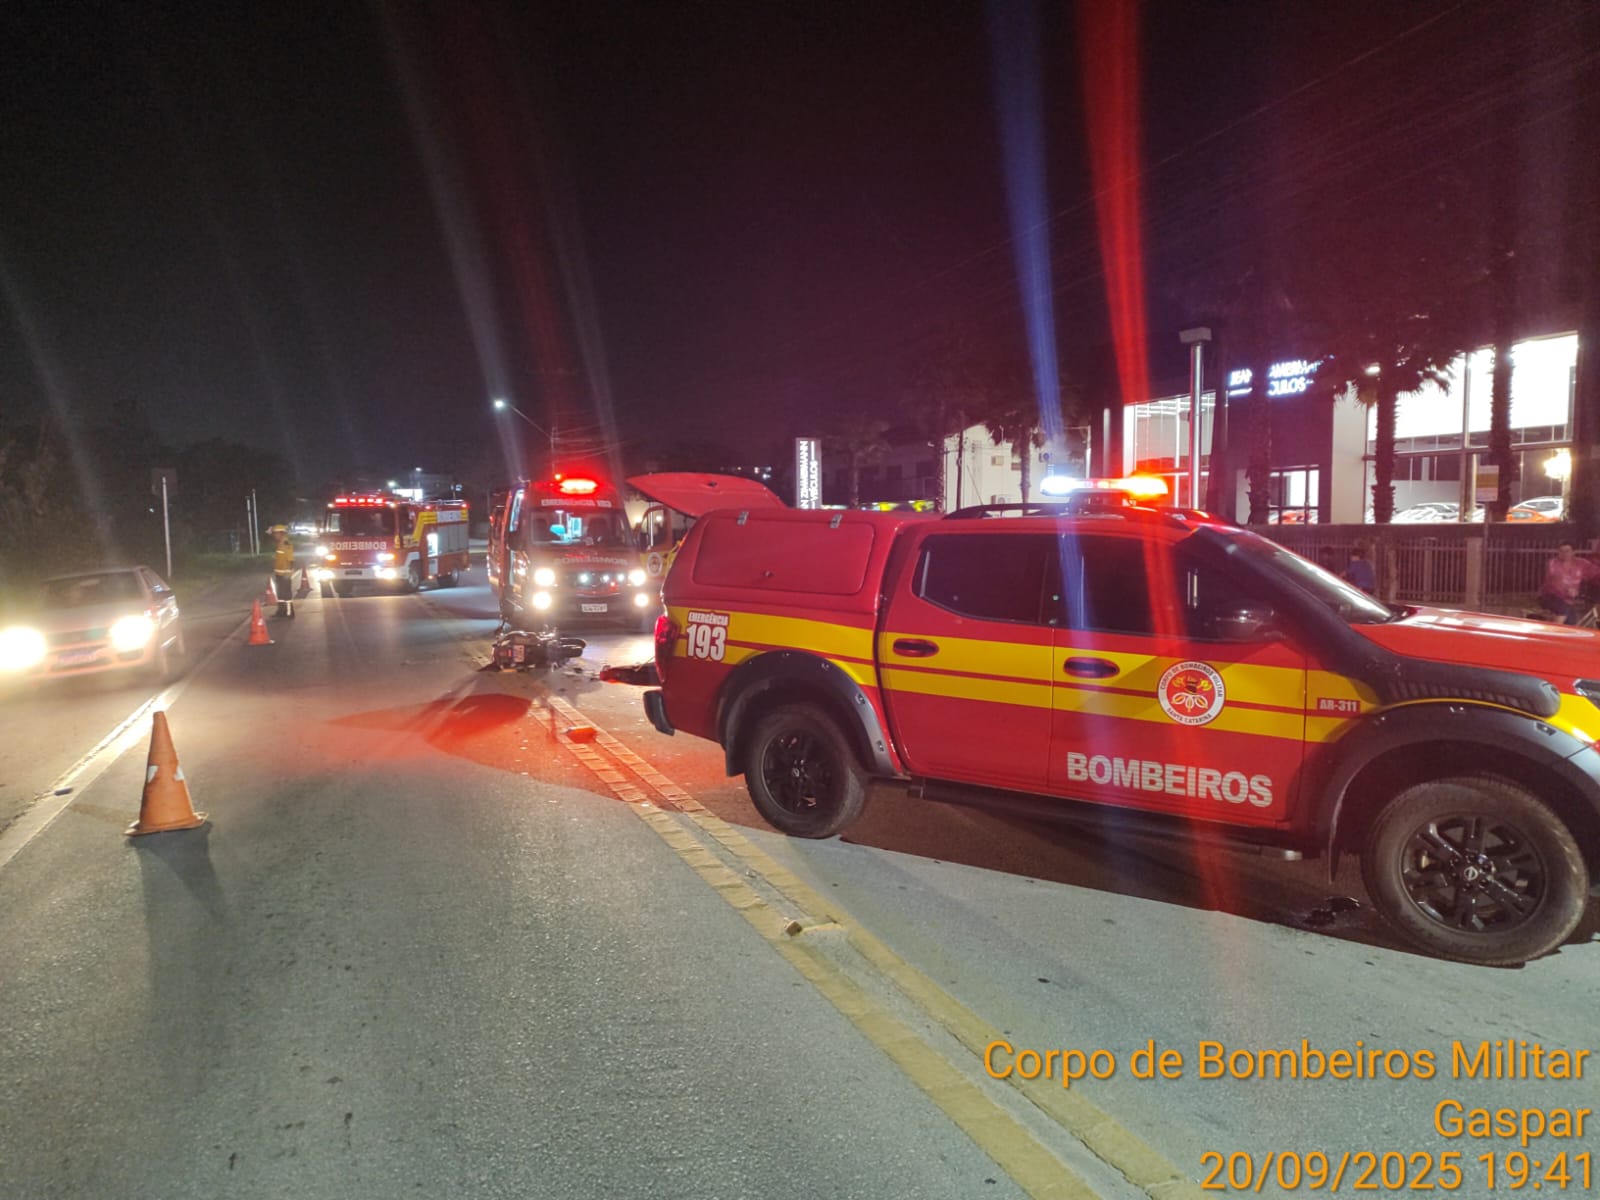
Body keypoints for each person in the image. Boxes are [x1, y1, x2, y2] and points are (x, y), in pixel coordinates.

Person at [1539, 542, 1600, 625]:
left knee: (1571, 624)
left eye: (1567, 551)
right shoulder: (1553, 563)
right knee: (1563, 609)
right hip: (1550, 596)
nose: (1564, 554)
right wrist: (1566, 590)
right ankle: (1552, 633)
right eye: (1561, 551)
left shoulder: (1581, 563)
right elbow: (1555, 579)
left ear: (1573, 552)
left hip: (1568, 600)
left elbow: (1595, 573)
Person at [269, 524, 296, 618]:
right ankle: (281, 611)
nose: (274, 535)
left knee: (286, 595)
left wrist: (289, 572)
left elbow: (291, 560)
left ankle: (289, 612)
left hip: (285, 574)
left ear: (281, 533)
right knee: (280, 594)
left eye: (275, 533)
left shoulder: (286, 544)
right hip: (279, 574)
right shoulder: (280, 543)